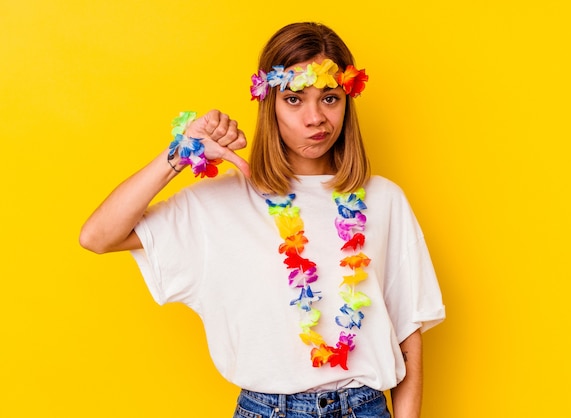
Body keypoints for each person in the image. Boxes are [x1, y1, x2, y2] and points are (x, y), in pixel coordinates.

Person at [80, 22, 445, 418]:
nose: (315, 118)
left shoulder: (384, 199)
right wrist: (181, 153)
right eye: (293, 99)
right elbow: (98, 236)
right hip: (268, 409)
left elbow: (408, 331)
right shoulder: (220, 202)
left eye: (329, 97)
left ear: (347, 100)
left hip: (365, 407)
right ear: (268, 103)